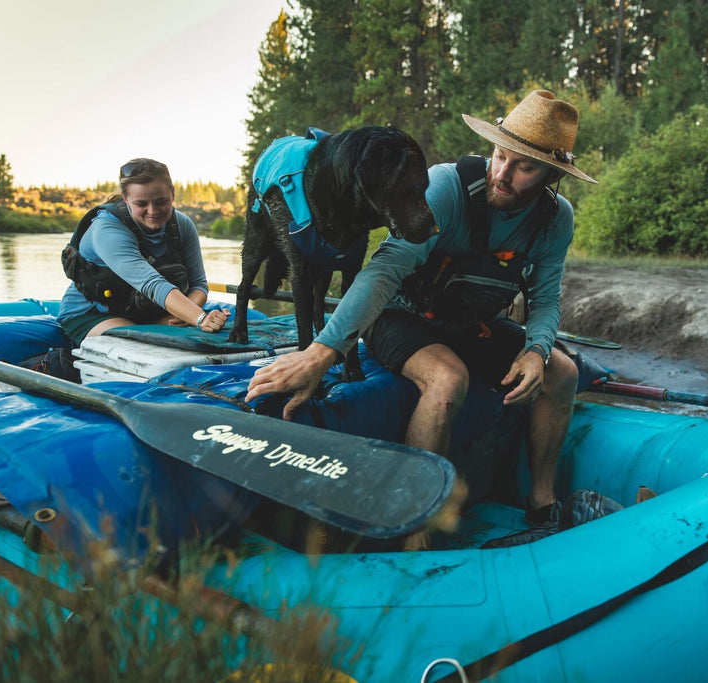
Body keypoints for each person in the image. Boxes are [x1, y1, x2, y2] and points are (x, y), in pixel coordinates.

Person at [245, 90, 597, 531]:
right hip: (399, 316)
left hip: (470, 322)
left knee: (561, 372)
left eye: (523, 167)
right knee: (449, 379)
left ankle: (542, 505)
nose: (502, 174)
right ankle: (414, 530)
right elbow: (384, 271)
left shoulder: (555, 219)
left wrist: (536, 350)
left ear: (550, 175)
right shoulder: (447, 187)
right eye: (500, 155)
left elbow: (546, 298)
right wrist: (322, 352)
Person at [57, 158, 228, 348]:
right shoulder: (106, 229)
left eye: (161, 201)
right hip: (93, 315)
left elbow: (198, 284)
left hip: (148, 314)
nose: (152, 211)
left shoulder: (183, 225)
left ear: (172, 193)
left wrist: (185, 313)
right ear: (125, 198)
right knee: (146, 346)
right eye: (141, 203)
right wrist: (200, 317)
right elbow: (152, 285)